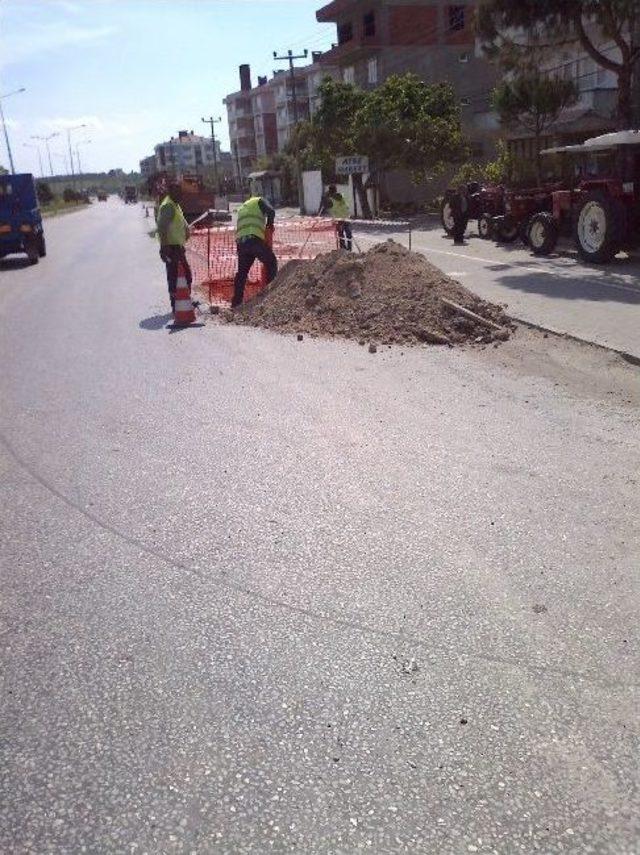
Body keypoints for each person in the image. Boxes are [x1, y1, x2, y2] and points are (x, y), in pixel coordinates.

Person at [232, 195, 278, 308]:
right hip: (253, 239)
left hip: (241, 242)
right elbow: (271, 212)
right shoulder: (259, 201)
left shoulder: (243, 207)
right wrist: (269, 226)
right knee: (271, 262)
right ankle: (270, 295)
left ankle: (236, 303)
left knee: (242, 273)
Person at [157, 182, 192, 312]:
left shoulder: (175, 205)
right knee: (177, 276)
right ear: (172, 193)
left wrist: (187, 230)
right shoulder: (168, 206)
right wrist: (164, 247)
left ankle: (183, 302)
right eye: (178, 192)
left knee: (184, 276)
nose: (181, 195)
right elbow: (162, 227)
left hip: (178, 247)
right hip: (171, 248)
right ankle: (177, 305)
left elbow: (181, 223)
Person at [320, 184, 352, 250]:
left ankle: (345, 249)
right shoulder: (341, 196)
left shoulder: (332, 199)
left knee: (342, 234)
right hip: (345, 217)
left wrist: (326, 196)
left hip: (342, 218)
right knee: (346, 234)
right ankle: (347, 249)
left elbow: (326, 204)